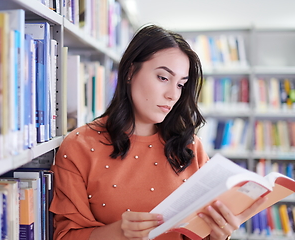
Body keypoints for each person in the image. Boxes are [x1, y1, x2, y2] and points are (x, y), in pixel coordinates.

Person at [49, 24, 266, 240]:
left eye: (181, 84)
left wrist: (219, 234)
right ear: (130, 72)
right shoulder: (79, 146)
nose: (173, 94)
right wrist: (118, 233)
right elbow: (66, 235)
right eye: (163, 78)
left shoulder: (190, 147)